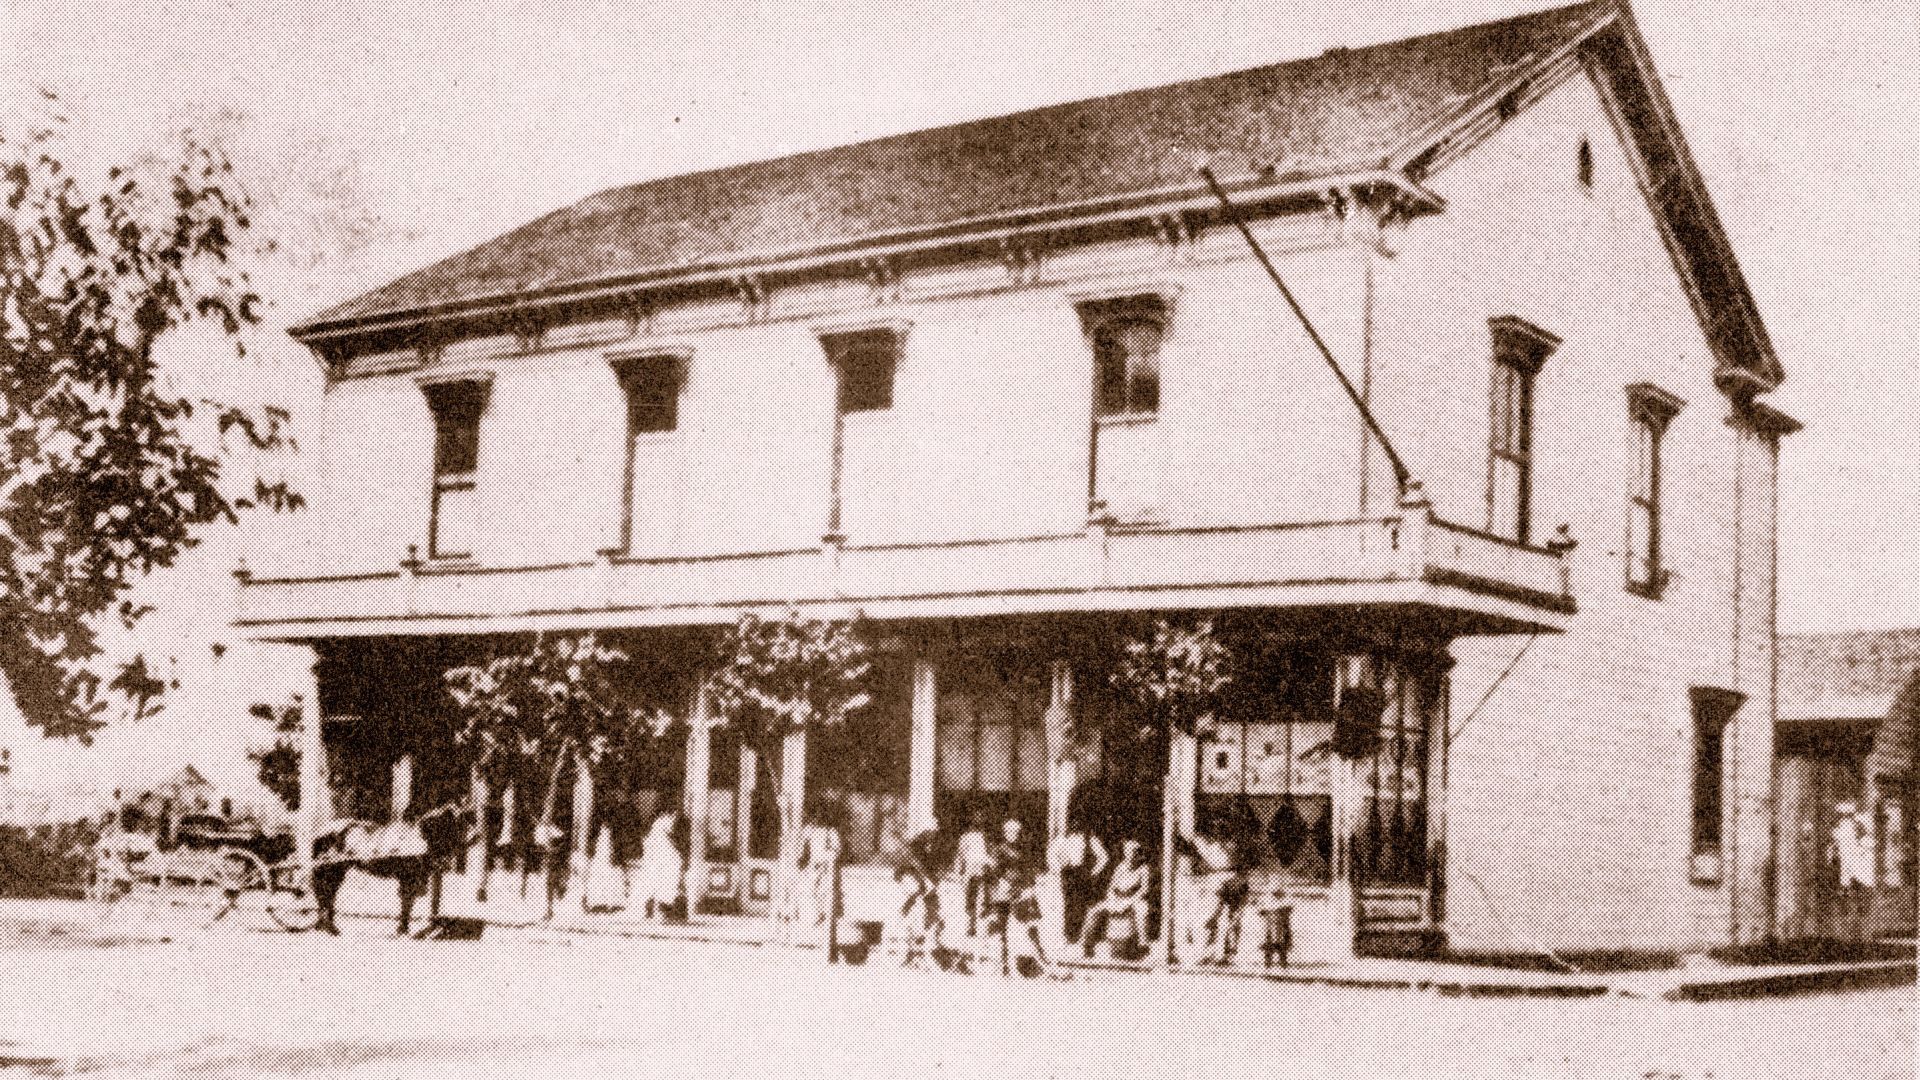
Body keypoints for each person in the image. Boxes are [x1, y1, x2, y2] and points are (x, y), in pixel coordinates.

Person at [1082, 839, 1150, 960]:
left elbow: (1144, 889)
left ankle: (1142, 943)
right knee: (1094, 910)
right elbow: (1111, 887)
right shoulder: (1121, 867)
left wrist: (1129, 902)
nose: (1130, 855)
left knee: (1142, 909)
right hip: (1118, 899)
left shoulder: (1143, 869)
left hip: (1134, 899)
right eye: (1127, 852)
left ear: (1137, 854)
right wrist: (1113, 901)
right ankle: (1087, 945)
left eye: (1133, 853)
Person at [638, 810, 685, 921]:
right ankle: (660, 909)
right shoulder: (664, 825)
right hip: (662, 861)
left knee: (656, 885)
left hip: (657, 861)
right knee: (663, 886)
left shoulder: (655, 830)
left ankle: (654, 909)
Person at [952, 811, 992, 937]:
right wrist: (958, 871)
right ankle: (971, 925)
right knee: (971, 899)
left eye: (980, 819)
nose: (977, 822)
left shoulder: (985, 836)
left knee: (985, 898)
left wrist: (990, 866)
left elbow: (990, 853)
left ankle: (986, 926)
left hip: (983, 870)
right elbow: (960, 854)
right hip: (970, 871)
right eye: (975, 819)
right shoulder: (965, 837)